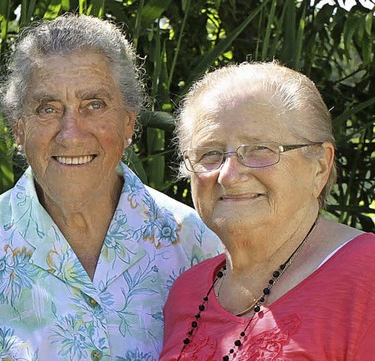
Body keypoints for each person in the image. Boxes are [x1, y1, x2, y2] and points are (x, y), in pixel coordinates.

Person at [0, 14, 221, 361]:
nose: (71, 133)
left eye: (94, 105)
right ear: (19, 130)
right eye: (48, 109)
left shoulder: (197, 244)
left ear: (128, 121)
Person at [159, 62, 375, 360]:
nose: (228, 175)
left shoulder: (367, 276)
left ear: (320, 167)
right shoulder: (187, 293)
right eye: (210, 153)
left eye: (260, 149)